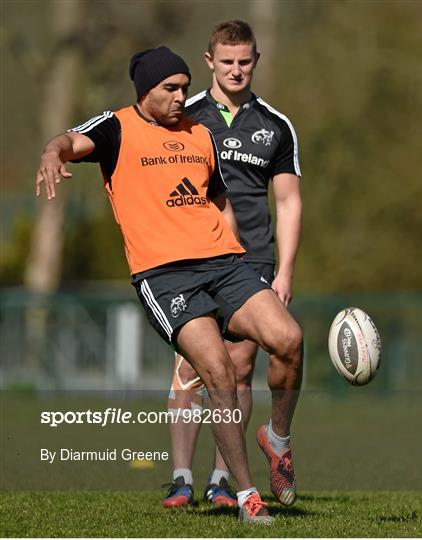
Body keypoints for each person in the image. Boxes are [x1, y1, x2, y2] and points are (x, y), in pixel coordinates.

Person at [35, 46, 303, 525]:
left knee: (289, 339)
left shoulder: (200, 133)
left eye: (184, 87)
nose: (182, 96)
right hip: (165, 275)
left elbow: (218, 199)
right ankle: (246, 497)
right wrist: (51, 153)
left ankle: (277, 439)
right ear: (146, 91)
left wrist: (236, 249)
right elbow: (68, 141)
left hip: (225, 264)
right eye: (171, 89)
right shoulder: (116, 128)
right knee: (218, 372)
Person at [163, 20, 302, 510]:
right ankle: (180, 479)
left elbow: (287, 202)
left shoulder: (276, 126)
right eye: (227, 61)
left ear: (256, 61)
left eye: (244, 61)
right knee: (193, 366)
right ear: (209, 62)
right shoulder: (185, 116)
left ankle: (223, 481)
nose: (236, 69)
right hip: (192, 255)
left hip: (253, 261)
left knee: (239, 369)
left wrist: (284, 270)